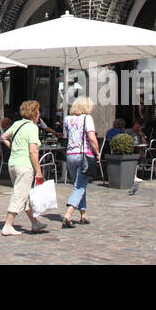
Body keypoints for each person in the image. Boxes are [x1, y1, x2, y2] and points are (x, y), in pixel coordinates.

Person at [1, 99, 46, 236]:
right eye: (38, 111)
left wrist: (13, 147)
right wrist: (38, 171)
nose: (39, 114)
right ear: (34, 113)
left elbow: (4, 137)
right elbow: (33, 151)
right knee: (20, 195)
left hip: (13, 163)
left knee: (24, 194)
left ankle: (35, 222)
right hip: (24, 165)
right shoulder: (32, 127)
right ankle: (8, 225)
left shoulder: (17, 124)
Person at [62, 96, 100, 228]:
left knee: (78, 185)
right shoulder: (87, 118)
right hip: (84, 155)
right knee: (80, 186)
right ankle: (68, 214)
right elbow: (91, 137)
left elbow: (68, 136)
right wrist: (98, 153)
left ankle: (83, 214)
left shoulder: (67, 119)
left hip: (70, 155)